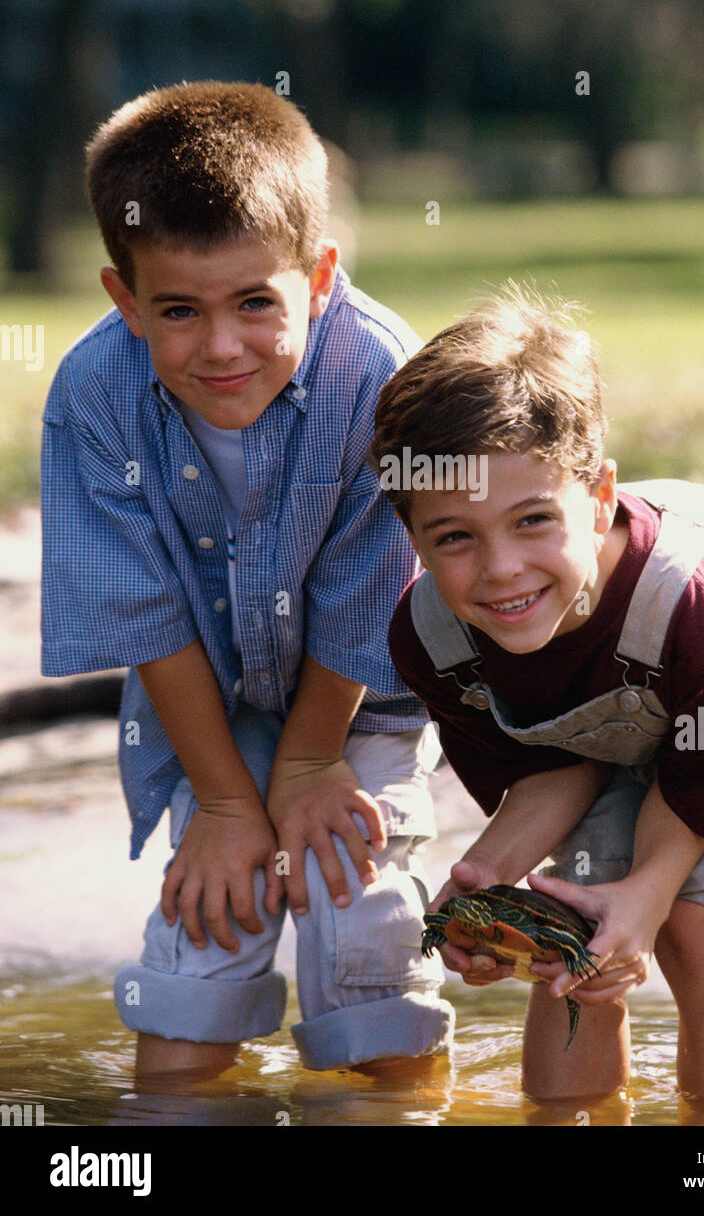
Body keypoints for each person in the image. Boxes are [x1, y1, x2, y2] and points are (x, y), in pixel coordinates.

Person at [41, 81, 453, 1084]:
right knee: (207, 921)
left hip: (365, 702)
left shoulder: (377, 376)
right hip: (206, 710)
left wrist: (312, 765)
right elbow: (141, 610)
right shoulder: (95, 394)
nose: (220, 347)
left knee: (359, 916)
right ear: (123, 297)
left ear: (319, 277)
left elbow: (370, 588)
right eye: (177, 310)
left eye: (255, 303)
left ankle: (392, 1096)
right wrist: (227, 802)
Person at [371, 288, 704, 1102]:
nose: (500, 570)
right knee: (570, 940)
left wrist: (648, 894)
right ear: (414, 537)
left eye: (532, 520)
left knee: (699, 928)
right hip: (616, 727)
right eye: (455, 536)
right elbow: (549, 769)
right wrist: (487, 877)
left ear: (598, 496)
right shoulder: (433, 639)